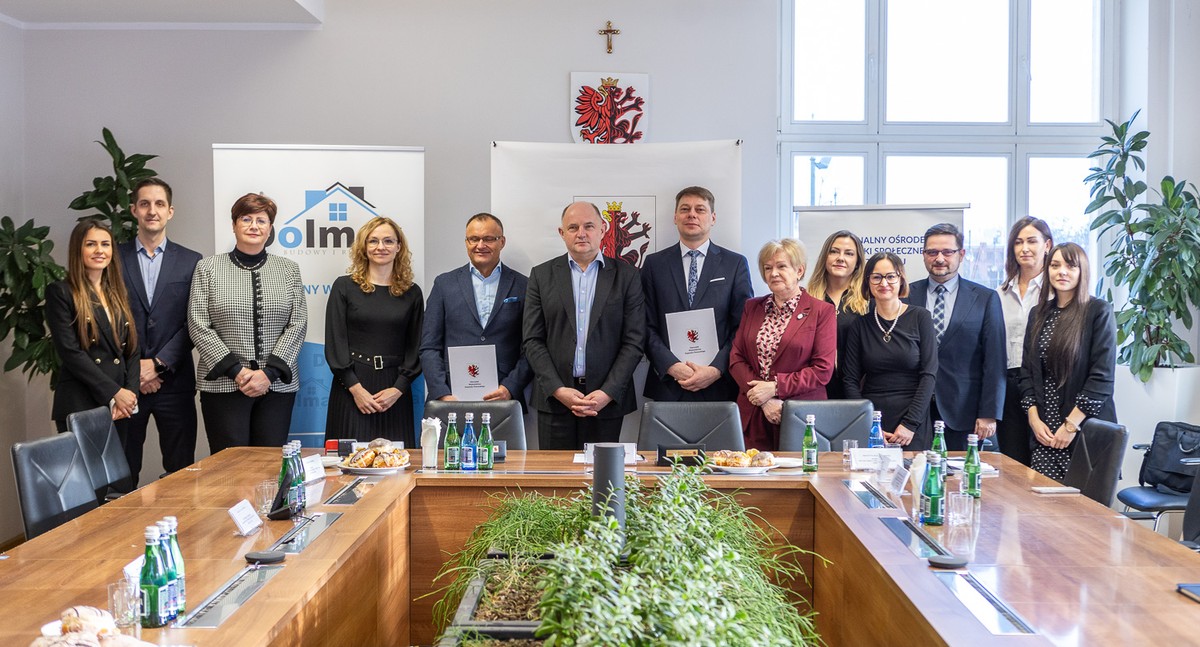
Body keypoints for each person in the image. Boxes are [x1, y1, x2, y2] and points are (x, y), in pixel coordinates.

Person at [188, 193, 308, 453]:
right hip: (223, 385)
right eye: (246, 219)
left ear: (270, 229)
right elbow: (198, 324)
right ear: (234, 225)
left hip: (276, 386)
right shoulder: (207, 268)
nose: (254, 226)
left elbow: (297, 324)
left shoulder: (288, 270)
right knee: (228, 468)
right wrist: (237, 372)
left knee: (270, 464)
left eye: (261, 221)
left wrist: (268, 374)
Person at [523, 201, 645, 450]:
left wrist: (607, 392)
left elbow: (634, 341)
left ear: (603, 229)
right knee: (555, 484)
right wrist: (558, 390)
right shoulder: (541, 275)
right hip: (555, 402)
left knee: (603, 484)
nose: (581, 233)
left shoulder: (627, 276)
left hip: (606, 403)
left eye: (589, 226)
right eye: (573, 227)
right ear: (562, 233)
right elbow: (532, 340)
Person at [115, 178, 202, 486]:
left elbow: (195, 322)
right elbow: (108, 320)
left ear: (170, 212)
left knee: (181, 476)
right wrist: (135, 368)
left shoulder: (193, 262)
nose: (152, 211)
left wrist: (157, 364)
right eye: (145, 204)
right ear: (133, 210)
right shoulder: (113, 258)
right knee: (122, 475)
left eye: (159, 204)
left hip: (175, 383)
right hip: (125, 386)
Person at [641, 186, 752, 403]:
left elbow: (743, 325)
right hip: (669, 385)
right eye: (685, 209)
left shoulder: (735, 264)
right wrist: (671, 366)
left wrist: (717, 369)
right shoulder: (654, 265)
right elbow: (644, 324)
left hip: (719, 386)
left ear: (713, 217)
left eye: (700, 209)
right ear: (675, 217)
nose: (692, 214)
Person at [1020, 243, 1117, 481]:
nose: (1062, 271)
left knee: (1083, 514)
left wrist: (1070, 426)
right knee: (1043, 512)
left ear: (1082, 271)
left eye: (1070, 266)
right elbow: (1028, 373)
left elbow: (1101, 378)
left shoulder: (1098, 311)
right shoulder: (1038, 313)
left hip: (1083, 430)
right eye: (1055, 265)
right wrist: (1034, 420)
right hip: (1044, 432)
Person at [905, 223, 1006, 451]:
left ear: (961, 255)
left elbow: (995, 361)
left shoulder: (985, 298)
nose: (939, 258)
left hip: (963, 412)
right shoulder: (905, 295)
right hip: (911, 410)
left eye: (947, 252)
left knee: (957, 482)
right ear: (923, 256)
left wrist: (989, 413)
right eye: (932, 252)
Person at [729, 239, 836, 451]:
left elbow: (822, 370)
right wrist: (763, 398)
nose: (773, 273)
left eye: (781, 266)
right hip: (753, 412)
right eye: (767, 268)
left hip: (799, 414)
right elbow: (736, 358)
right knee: (751, 481)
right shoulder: (753, 307)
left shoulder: (821, 311)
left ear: (799, 270)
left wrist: (776, 388)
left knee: (798, 478)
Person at [326, 217, 424, 445]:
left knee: (397, 468)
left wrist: (398, 389)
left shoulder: (412, 293)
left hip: (394, 390)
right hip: (351, 387)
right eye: (374, 241)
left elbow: (416, 346)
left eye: (388, 241)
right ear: (364, 246)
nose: (381, 247)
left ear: (399, 247)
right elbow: (335, 342)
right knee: (347, 466)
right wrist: (356, 389)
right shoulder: (344, 287)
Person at [420, 213, 531, 409]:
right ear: (466, 242)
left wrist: (510, 387)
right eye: (474, 239)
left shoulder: (524, 285)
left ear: (502, 242)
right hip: (451, 398)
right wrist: (442, 393)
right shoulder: (444, 284)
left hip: (503, 399)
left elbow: (530, 347)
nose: (481, 245)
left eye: (489, 239)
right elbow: (429, 346)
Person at [47, 219, 139, 432]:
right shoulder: (61, 292)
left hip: (120, 406)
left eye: (105, 244)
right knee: (85, 467)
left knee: (119, 467)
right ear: (77, 249)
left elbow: (133, 349)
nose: (100, 250)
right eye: (91, 244)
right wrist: (114, 392)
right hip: (81, 402)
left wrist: (130, 394)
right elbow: (71, 353)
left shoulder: (119, 293)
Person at [843, 252, 938, 450]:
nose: (883, 283)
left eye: (891, 276)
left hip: (914, 421)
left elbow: (929, 375)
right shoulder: (859, 325)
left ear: (901, 279)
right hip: (873, 419)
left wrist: (910, 424)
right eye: (876, 277)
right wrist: (869, 424)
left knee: (915, 479)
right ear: (867, 282)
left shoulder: (921, 317)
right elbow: (850, 380)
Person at [996, 217, 1053, 466]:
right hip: (1008, 384)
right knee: (1012, 462)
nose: (1024, 248)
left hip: (1045, 384)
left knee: (1044, 460)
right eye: (1018, 242)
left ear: (1047, 245)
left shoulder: (1056, 292)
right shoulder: (999, 294)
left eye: (1032, 241)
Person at [806, 230, 869, 400]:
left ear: (857, 262)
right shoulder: (806, 299)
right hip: (814, 389)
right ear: (824, 258)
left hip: (858, 390)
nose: (840, 258)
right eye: (834, 251)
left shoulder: (869, 300)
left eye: (849, 253)